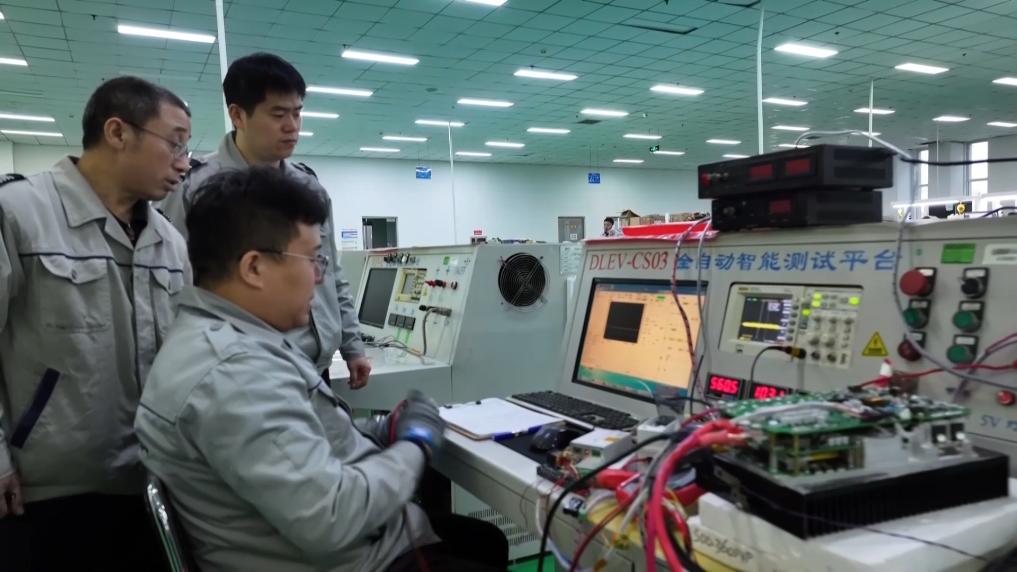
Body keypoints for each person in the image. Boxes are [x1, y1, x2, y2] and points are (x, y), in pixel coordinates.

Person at [135, 167, 508, 572]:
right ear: (253, 268)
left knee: (485, 540)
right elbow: (334, 518)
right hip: (360, 558)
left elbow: (296, 438)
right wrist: (415, 445)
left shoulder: (227, 339)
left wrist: (377, 430)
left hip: (326, 544)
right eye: (312, 258)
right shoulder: (235, 374)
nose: (320, 276)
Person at [0, 76, 192, 570]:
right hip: (45, 492)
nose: (184, 162)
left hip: (147, 483)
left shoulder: (169, 243)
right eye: (175, 143)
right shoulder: (19, 215)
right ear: (117, 132)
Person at [157, 52, 370, 390]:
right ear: (237, 115)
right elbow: (171, 285)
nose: (292, 126)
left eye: (297, 113)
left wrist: (352, 345)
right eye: (278, 114)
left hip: (315, 366)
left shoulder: (309, 186)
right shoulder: (195, 188)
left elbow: (331, 272)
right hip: (244, 371)